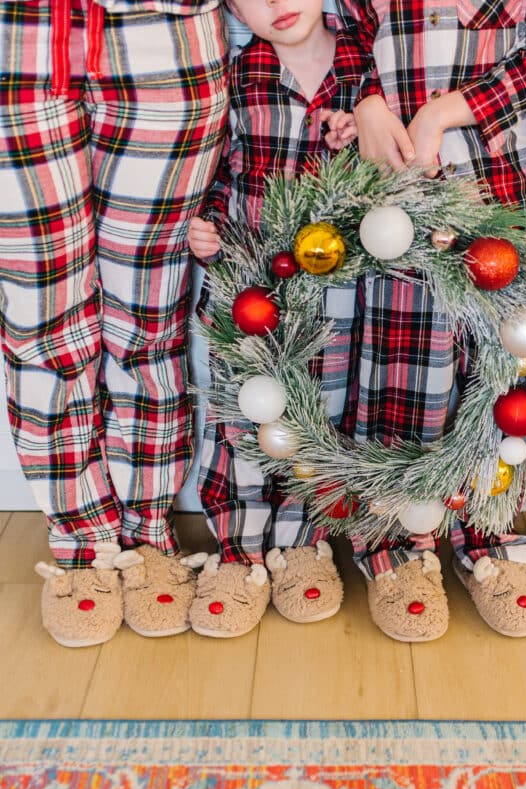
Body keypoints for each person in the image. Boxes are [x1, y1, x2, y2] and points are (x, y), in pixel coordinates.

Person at [334, 0, 526, 641]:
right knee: (408, 368)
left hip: (496, 196)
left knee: (498, 376)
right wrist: (369, 103)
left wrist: (441, 112)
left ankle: (486, 535)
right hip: (399, 201)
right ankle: (399, 543)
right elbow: (350, 36)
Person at [0, 0, 228, 647]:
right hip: (16, 34)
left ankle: (145, 522)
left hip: (166, 30)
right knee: (42, 318)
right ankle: (80, 537)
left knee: (148, 315)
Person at [185, 0, 365, 638]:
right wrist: (205, 223)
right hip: (251, 286)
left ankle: (304, 541)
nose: (276, 5)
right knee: (244, 417)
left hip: (333, 292)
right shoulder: (237, 75)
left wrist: (359, 132)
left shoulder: (364, 70)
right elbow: (215, 165)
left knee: (321, 412)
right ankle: (238, 547)